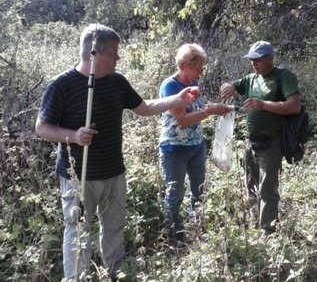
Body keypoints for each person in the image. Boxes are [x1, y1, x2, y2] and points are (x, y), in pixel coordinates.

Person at [35, 24, 199, 280]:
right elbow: (42, 128)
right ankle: (77, 277)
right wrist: (74, 136)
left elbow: (143, 107)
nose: (118, 58)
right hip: (78, 175)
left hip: (114, 171)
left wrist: (177, 100)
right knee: (77, 231)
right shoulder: (62, 85)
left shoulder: (117, 82)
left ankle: (117, 274)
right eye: (113, 53)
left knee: (113, 228)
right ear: (94, 53)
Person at [220, 41, 301, 236]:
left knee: (268, 190)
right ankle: (257, 220)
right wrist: (229, 86)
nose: (253, 64)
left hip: (272, 142)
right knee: (251, 184)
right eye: (251, 60)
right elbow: (233, 85)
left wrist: (263, 104)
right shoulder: (251, 79)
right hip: (251, 142)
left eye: (258, 60)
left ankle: (268, 231)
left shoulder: (284, 77)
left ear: (270, 58)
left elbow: (294, 106)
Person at [159, 43, 231, 245]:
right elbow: (182, 119)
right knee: (175, 194)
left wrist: (216, 108)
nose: (201, 71)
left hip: (196, 146)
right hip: (174, 149)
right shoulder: (170, 86)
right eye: (198, 67)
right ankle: (175, 238)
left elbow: (198, 108)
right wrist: (210, 111)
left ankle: (196, 229)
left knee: (198, 191)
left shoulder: (193, 82)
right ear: (184, 65)